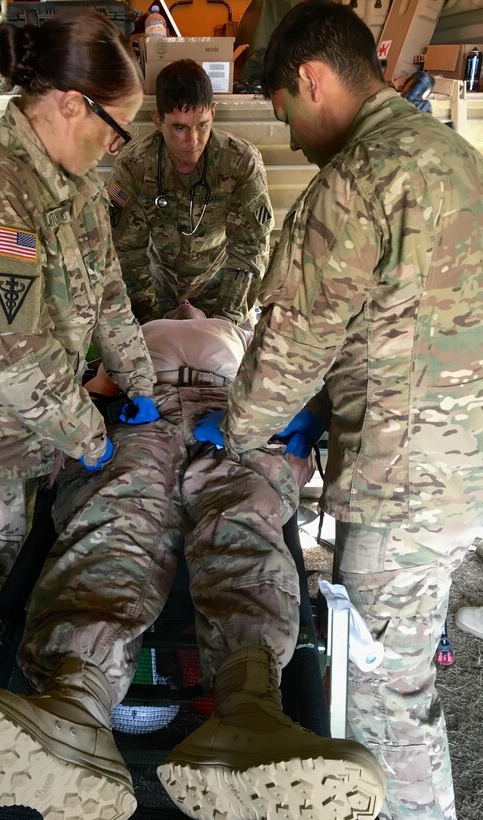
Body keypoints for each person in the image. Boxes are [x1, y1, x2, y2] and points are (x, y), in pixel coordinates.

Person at [0, 303, 386, 820]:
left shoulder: (244, 330)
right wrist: (98, 417)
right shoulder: (130, 332)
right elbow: (88, 388)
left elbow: (301, 379)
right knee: (118, 516)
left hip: (237, 415)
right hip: (142, 412)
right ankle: (76, 703)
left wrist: (296, 421)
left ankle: (249, 708)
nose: (187, 305)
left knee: (244, 516)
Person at [194, 3, 483, 819]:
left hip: (400, 488)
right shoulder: (451, 155)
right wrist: (325, 406)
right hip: (463, 465)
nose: (286, 133)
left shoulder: (355, 182)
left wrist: (240, 433)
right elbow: (409, 314)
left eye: (283, 108)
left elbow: (289, 344)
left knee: (387, 704)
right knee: (408, 667)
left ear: (311, 80)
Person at [0, 9, 160, 686]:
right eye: (115, 128)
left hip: (27, 446)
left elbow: (110, 298)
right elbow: (13, 354)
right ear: (74, 104)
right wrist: (89, 439)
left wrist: (145, 388)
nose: (115, 146)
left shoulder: (76, 189)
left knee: (18, 626)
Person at [108, 59, 274, 325]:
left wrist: (226, 320)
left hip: (223, 290)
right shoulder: (134, 166)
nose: (193, 141)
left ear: (214, 114)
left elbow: (251, 247)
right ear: (158, 120)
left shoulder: (240, 161)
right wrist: (147, 318)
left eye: (202, 125)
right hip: (156, 292)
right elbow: (127, 250)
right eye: (180, 127)